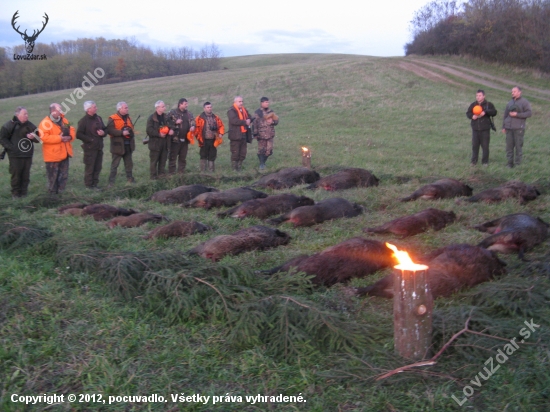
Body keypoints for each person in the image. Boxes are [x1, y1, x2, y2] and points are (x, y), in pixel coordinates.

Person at [0, 106, 39, 198]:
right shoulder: (9, 125)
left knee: (26, 176)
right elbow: (2, 138)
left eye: (27, 114)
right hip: (14, 156)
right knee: (16, 175)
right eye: (24, 114)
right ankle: (15, 194)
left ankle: (24, 193)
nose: (27, 116)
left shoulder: (31, 125)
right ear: (17, 115)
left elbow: (39, 139)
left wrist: (33, 137)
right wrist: (12, 148)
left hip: (28, 155)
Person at [38, 103, 76, 195]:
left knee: (64, 176)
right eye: (59, 109)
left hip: (65, 153)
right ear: (53, 111)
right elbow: (43, 137)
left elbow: (72, 130)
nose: (61, 111)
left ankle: (61, 195)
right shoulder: (45, 123)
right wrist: (60, 138)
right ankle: (52, 197)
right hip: (53, 156)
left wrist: (70, 137)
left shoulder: (64, 119)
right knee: (53, 179)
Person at [77, 101, 107, 189]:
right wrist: (90, 140)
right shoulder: (83, 121)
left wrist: (103, 133)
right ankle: (89, 186)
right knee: (90, 168)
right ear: (88, 109)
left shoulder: (99, 118)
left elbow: (105, 129)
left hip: (99, 147)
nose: (96, 108)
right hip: (89, 149)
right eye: (94, 107)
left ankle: (95, 184)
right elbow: (78, 134)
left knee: (98, 167)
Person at [107, 102, 136, 187]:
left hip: (128, 145)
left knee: (129, 164)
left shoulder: (128, 118)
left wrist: (130, 132)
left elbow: (131, 129)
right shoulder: (112, 118)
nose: (127, 109)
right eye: (125, 108)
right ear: (119, 109)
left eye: (127, 107)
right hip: (117, 146)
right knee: (115, 164)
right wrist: (121, 132)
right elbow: (109, 130)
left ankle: (130, 179)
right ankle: (111, 182)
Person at [502, 86, 532, 168]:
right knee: (509, 147)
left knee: (518, 147)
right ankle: (509, 164)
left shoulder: (524, 102)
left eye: (514, 91)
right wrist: (503, 126)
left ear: (519, 92)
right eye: (512, 91)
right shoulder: (510, 102)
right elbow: (505, 115)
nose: (512, 93)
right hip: (509, 128)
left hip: (519, 128)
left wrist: (517, 115)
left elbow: (529, 113)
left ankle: (518, 164)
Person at [466, 89, 497, 166]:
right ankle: (474, 161)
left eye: (479, 95)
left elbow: (494, 112)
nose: (478, 97)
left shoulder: (488, 104)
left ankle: (485, 162)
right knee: (475, 146)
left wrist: (485, 112)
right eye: (477, 95)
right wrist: (472, 116)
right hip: (475, 129)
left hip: (485, 129)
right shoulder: (473, 105)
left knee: (485, 146)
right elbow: (468, 113)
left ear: (484, 96)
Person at [194, 102, 225, 172]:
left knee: (212, 156)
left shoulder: (216, 118)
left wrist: (221, 133)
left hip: (213, 140)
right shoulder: (199, 118)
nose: (209, 109)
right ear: (204, 108)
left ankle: (211, 171)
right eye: (208, 107)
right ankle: (203, 171)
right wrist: (198, 138)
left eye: (210, 107)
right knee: (203, 155)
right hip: (204, 140)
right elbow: (196, 129)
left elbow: (221, 126)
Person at [167, 98, 195, 174]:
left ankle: (181, 173)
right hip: (175, 139)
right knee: (173, 157)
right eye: (185, 104)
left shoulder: (189, 114)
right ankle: (171, 173)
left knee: (183, 157)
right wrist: (175, 122)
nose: (187, 105)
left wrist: (193, 126)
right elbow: (166, 122)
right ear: (180, 104)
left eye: (187, 104)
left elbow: (193, 121)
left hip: (185, 139)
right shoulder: (172, 113)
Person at [146, 100, 173, 179]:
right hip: (155, 143)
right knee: (154, 161)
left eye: (164, 106)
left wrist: (171, 129)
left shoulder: (166, 117)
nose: (165, 108)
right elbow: (149, 130)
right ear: (157, 108)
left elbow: (171, 125)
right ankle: (153, 177)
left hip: (165, 142)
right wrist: (158, 134)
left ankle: (161, 175)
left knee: (163, 160)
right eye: (163, 106)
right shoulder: (151, 118)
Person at [253, 96, 279, 170]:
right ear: (262, 103)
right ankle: (262, 164)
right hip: (261, 135)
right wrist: (255, 134)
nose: (267, 103)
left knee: (269, 151)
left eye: (268, 102)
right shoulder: (258, 112)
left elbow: (277, 121)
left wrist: (273, 122)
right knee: (261, 150)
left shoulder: (271, 112)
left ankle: (263, 162)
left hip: (270, 134)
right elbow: (255, 123)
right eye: (266, 102)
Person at [227, 96, 252, 171]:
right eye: (239, 101)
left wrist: (249, 119)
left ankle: (240, 167)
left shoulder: (244, 110)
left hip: (243, 135)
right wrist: (245, 122)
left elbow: (249, 116)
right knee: (235, 152)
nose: (241, 103)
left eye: (242, 101)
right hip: (235, 135)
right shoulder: (231, 111)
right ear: (235, 102)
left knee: (243, 153)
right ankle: (234, 169)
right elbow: (234, 121)